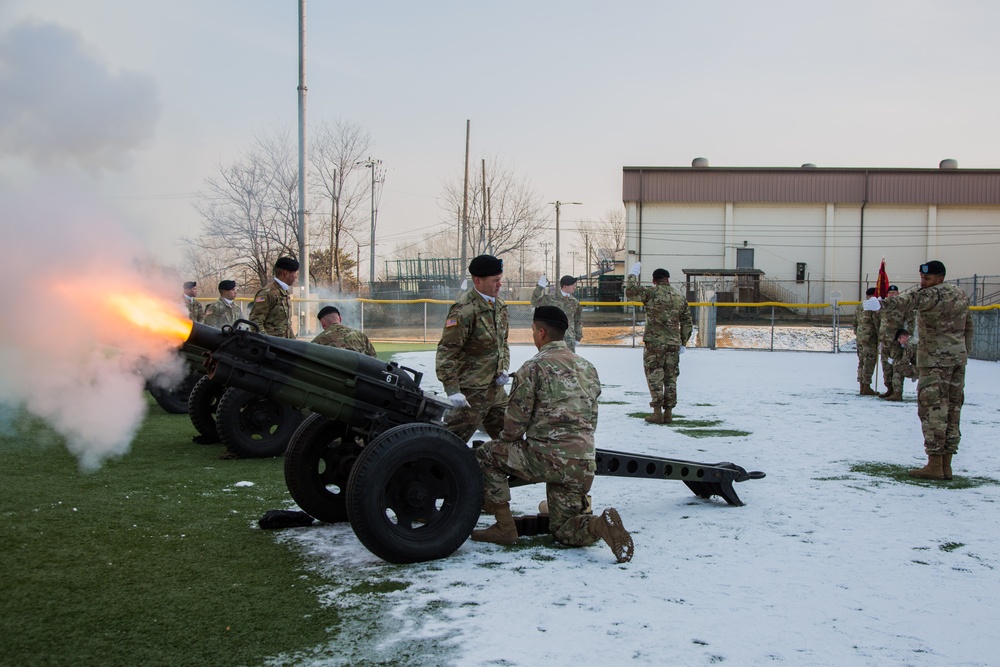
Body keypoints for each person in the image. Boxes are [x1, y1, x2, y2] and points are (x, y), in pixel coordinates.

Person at [472, 305, 634, 563]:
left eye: (533, 331)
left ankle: (504, 527)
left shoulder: (532, 368)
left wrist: (507, 442)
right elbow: (592, 419)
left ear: (541, 332)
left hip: (544, 457)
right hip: (582, 461)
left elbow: (515, 424)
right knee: (564, 529)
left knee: (487, 454)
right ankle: (599, 526)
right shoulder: (588, 367)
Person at [878, 261, 973, 480]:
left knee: (932, 410)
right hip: (957, 359)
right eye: (922, 277)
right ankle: (946, 465)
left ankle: (934, 463)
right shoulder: (960, 294)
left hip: (935, 362)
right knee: (952, 410)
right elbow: (969, 325)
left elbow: (909, 300)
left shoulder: (932, 295)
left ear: (940, 278)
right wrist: (963, 350)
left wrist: (882, 304)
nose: (923, 282)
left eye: (927, 278)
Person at [435, 254, 510, 442]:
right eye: (495, 281)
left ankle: (498, 471)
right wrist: (452, 389)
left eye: (500, 279)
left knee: (510, 439)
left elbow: (503, 342)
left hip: (496, 390)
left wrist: (504, 368)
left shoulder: (499, 306)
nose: (499, 284)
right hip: (471, 393)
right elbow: (447, 352)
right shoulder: (464, 310)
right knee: (451, 443)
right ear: (478, 281)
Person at [624, 262, 692, 424]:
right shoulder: (679, 296)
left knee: (654, 376)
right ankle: (668, 412)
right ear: (668, 279)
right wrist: (683, 342)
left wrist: (633, 275)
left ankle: (657, 412)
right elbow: (687, 321)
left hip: (654, 343)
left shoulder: (652, 293)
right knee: (670, 378)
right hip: (673, 344)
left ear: (654, 281)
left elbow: (630, 292)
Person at [530, 274, 584, 351]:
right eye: (573, 285)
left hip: (569, 340)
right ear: (565, 286)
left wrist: (578, 337)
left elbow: (577, 321)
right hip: (552, 339)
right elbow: (534, 302)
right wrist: (539, 287)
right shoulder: (550, 299)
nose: (574, 287)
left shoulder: (575, 303)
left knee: (569, 362)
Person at [249, 256, 299, 338]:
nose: (296, 276)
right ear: (286, 273)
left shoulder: (284, 292)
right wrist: (267, 342)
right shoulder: (267, 293)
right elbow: (256, 321)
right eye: (294, 273)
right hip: (272, 346)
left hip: (283, 344)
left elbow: (286, 325)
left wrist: (293, 343)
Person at [877, 285, 911, 400]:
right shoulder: (884, 305)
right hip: (884, 340)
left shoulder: (903, 306)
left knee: (896, 366)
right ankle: (889, 388)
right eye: (890, 292)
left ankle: (897, 392)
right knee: (886, 365)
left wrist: (906, 338)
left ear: (898, 293)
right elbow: (878, 322)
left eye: (894, 292)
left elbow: (910, 321)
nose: (892, 294)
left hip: (896, 341)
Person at [311, 306, 377, 357]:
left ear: (322, 323)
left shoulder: (317, 341)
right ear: (340, 319)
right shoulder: (360, 336)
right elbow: (372, 359)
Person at [854, 287, 881, 396]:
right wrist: (880, 335)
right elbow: (876, 323)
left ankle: (861, 384)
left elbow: (854, 322)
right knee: (869, 361)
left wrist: (858, 333)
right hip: (870, 338)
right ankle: (866, 385)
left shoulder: (860, 305)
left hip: (860, 337)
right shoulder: (872, 306)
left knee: (862, 361)